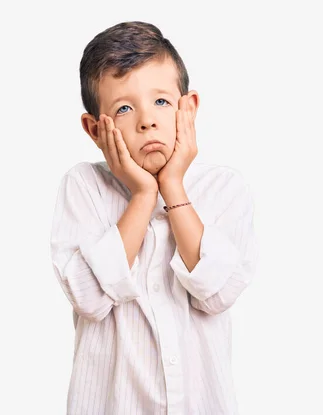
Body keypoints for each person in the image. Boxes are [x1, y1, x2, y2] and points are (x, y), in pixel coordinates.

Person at [49, 20, 259, 415]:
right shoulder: (84, 186)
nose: (147, 120)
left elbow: (216, 293)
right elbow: (90, 299)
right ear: (95, 128)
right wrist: (144, 193)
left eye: (161, 101)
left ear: (188, 107)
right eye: (124, 108)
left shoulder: (223, 190)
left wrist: (172, 187)